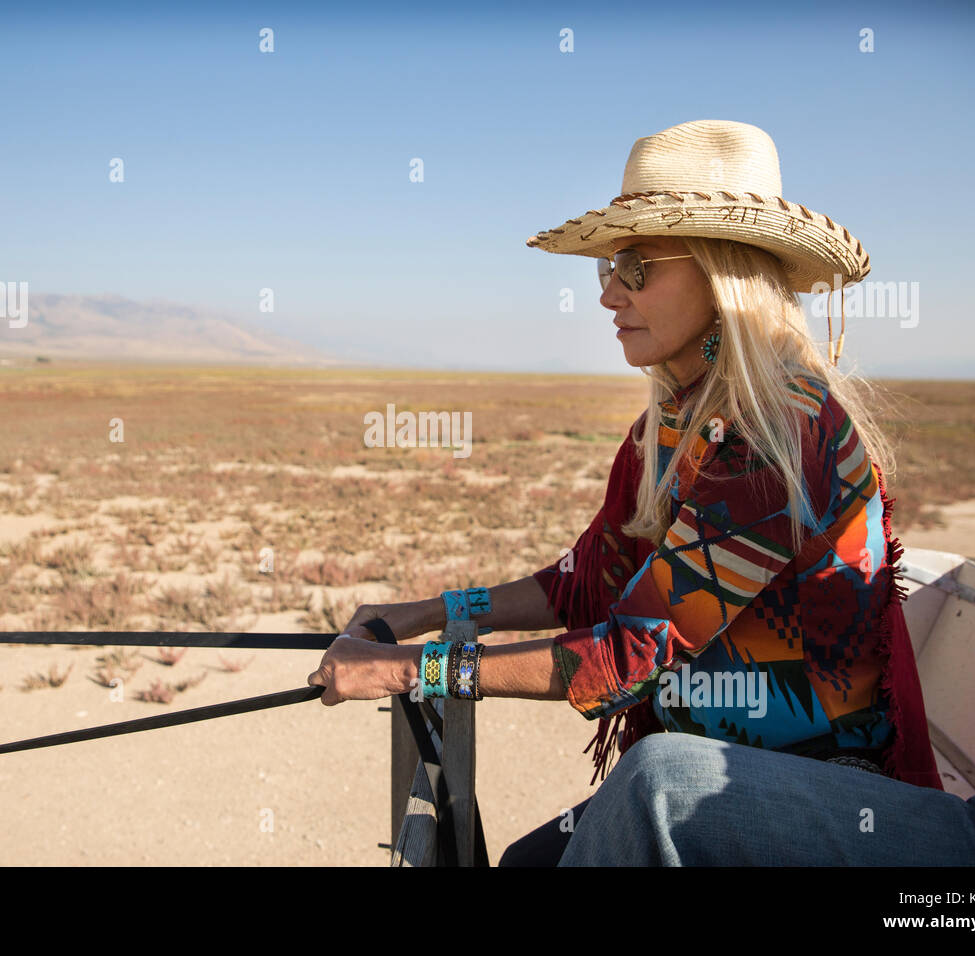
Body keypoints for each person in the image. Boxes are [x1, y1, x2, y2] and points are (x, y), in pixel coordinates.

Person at [307, 119, 942, 866]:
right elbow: (588, 582)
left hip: (820, 790)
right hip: (707, 767)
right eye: (609, 266)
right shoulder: (671, 426)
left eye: (637, 267)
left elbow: (629, 657)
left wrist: (409, 670)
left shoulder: (777, 439)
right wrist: (432, 613)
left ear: (721, 273)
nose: (609, 293)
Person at [554, 621, 975, 865]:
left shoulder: (774, 451)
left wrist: (469, 670)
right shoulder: (669, 446)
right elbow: (584, 578)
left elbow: (636, 644)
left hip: (835, 757)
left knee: (659, 784)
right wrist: (472, 609)